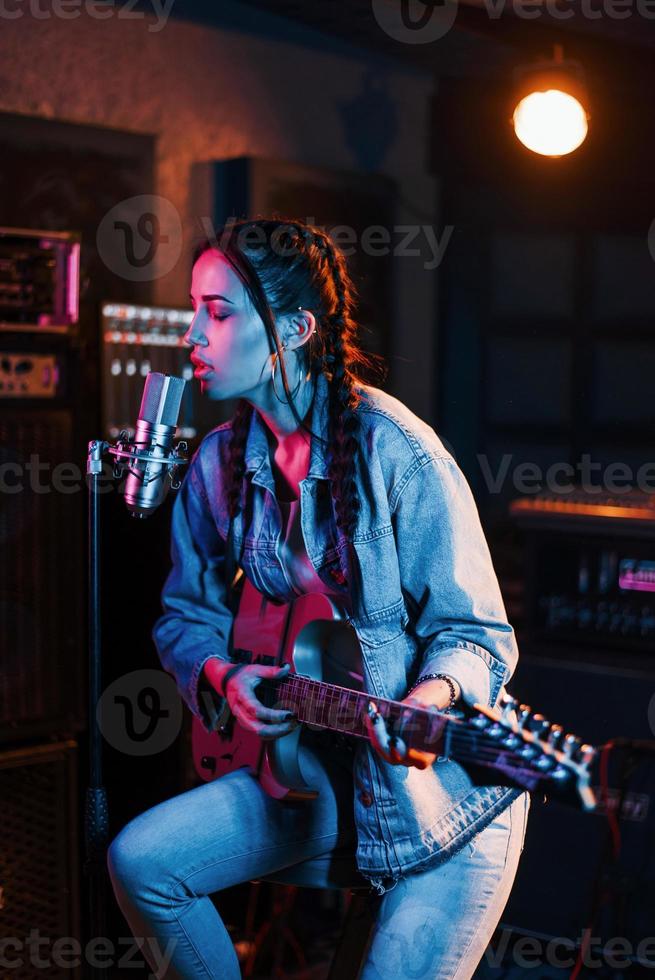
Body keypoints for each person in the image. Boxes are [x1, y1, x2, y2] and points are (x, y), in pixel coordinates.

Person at [107, 218, 530, 979]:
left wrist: (427, 700)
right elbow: (185, 616)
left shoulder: (397, 450)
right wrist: (220, 676)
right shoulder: (217, 462)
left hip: (445, 805)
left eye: (219, 311)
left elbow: (476, 635)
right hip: (312, 773)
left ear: (296, 329)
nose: (193, 336)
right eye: (194, 309)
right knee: (142, 861)